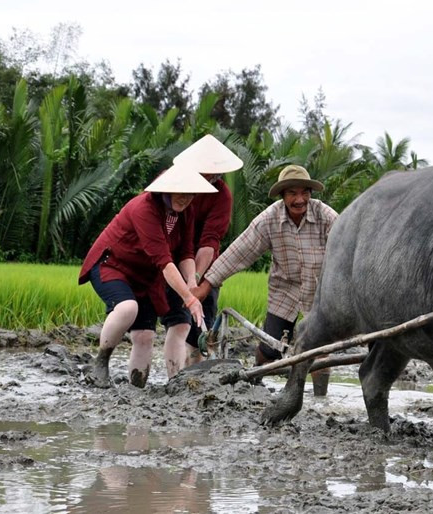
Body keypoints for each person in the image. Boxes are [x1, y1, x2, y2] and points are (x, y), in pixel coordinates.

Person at [191, 165, 337, 395]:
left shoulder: (326, 217)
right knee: (270, 349)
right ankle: (256, 382)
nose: (300, 199)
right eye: (292, 193)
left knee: (319, 348)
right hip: (284, 290)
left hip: (319, 291)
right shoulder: (269, 220)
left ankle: (321, 400)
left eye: (304, 193)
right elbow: (239, 252)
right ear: (282, 196)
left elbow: (348, 251)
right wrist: (206, 285)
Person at [79, 164, 217, 387]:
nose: (187, 198)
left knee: (145, 336)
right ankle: (100, 363)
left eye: (192, 193)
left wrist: (192, 282)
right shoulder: (144, 208)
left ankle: (137, 388)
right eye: (182, 192)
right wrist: (189, 299)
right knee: (127, 308)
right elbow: (163, 260)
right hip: (113, 265)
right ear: (167, 189)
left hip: (146, 276)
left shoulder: (186, 212)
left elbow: (185, 252)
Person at [160, 135, 243, 376]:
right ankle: (173, 378)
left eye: (214, 172)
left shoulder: (221, 194)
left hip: (205, 268)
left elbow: (209, 242)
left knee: (200, 329)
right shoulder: (171, 182)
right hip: (170, 260)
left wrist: (194, 280)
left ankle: (193, 377)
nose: (210, 176)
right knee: (177, 321)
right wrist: (183, 282)